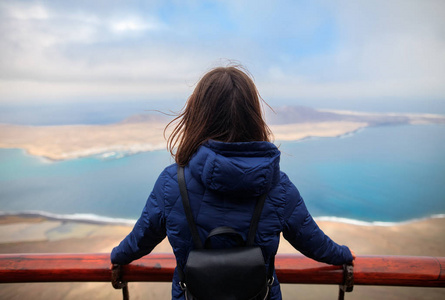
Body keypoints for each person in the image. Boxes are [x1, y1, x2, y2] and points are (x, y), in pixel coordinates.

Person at [110, 65, 355, 299]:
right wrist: (343, 255)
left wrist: (117, 256)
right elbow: (312, 241)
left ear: (196, 116)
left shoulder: (171, 183)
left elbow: (141, 238)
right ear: (253, 116)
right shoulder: (278, 186)